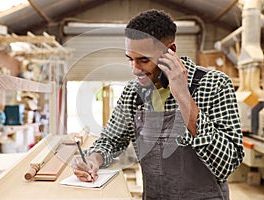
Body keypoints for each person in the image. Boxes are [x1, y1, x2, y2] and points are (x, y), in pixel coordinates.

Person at [72, 9, 244, 200]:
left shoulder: (215, 85)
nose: (135, 70)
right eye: (130, 59)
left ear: (170, 51)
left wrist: (183, 97)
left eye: (144, 60)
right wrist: (93, 160)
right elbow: (110, 141)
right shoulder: (133, 93)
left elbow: (228, 164)